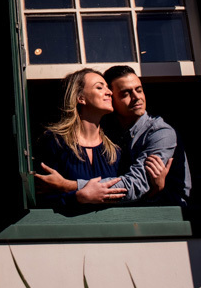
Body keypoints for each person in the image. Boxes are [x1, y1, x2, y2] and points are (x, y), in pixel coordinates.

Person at [32, 68, 128, 206]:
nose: (109, 92)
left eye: (107, 88)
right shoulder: (55, 141)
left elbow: (125, 193)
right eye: (100, 87)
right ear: (80, 98)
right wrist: (77, 197)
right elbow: (41, 194)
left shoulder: (115, 149)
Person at [100, 64, 190, 206]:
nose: (136, 97)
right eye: (126, 94)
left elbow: (137, 184)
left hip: (170, 216)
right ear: (111, 99)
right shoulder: (107, 132)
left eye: (139, 90)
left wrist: (76, 188)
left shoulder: (161, 133)